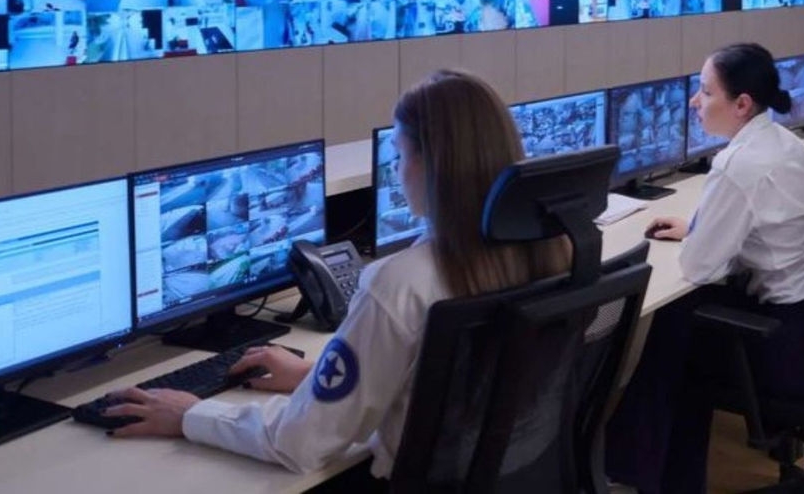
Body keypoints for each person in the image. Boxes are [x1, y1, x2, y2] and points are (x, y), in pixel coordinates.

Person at [99, 70, 570, 488]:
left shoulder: (400, 283)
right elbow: (446, 383)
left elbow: (299, 443)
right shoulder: (553, 249)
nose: (396, 170)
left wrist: (190, 414)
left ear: (433, 165)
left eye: (400, 154)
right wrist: (316, 376)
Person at [605, 43, 804, 494]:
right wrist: (701, 227)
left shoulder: (738, 164)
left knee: (678, 323)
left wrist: (701, 235)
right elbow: (766, 229)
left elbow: (699, 265)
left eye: (706, 91)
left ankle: (636, 472)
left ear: (742, 104)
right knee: (684, 322)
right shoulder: (786, 143)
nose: (695, 101)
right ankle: (645, 472)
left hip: (790, 343)